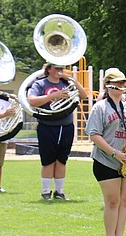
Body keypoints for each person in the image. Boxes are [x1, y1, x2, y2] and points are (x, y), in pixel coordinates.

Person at [84, 68, 126, 236]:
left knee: (124, 201)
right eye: (118, 83)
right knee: (112, 201)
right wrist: (114, 153)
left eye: (123, 83)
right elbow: (93, 134)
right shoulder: (100, 107)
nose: (121, 86)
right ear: (109, 86)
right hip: (107, 159)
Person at [27, 63, 87, 200]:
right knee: (48, 161)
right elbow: (32, 101)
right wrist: (55, 96)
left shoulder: (66, 83)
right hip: (47, 125)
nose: (60, 71)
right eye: (56, 68)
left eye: (61, 68)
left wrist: (72, 80)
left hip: (66, 126)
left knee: (62, 160)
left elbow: (83, 95)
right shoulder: (40, 84)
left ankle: (59, 191)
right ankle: (46, 191)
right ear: (48, 69)